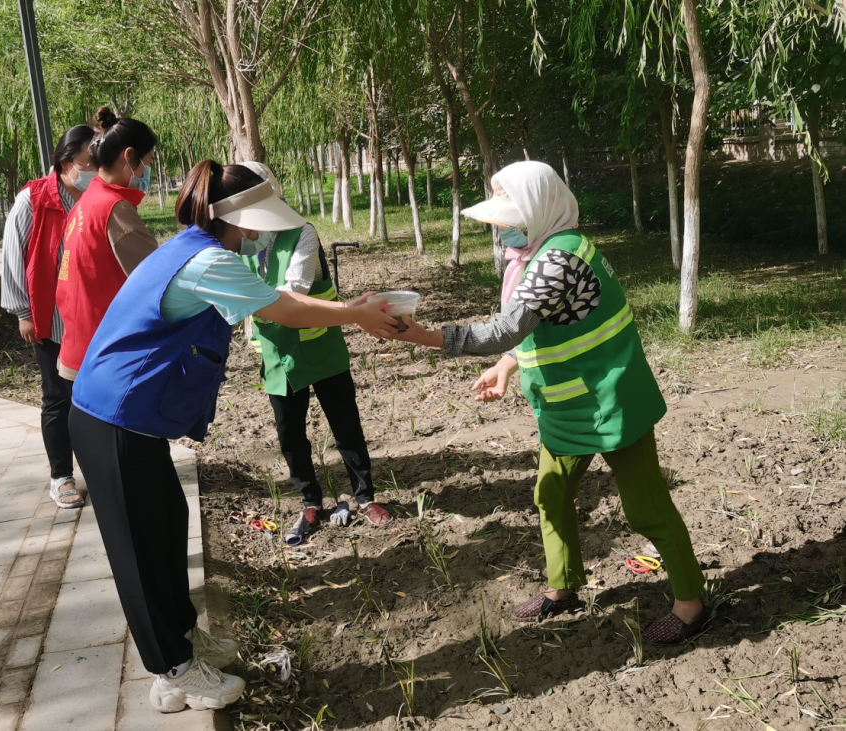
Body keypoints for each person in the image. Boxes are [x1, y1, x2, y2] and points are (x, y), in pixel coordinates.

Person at [67, 160, 397, 713]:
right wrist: (354, 313)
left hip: (128, 420)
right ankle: (171, 673)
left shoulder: (192, 247)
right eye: (255, 224)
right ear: (235, 219)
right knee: (141, 554)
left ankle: (186, 639)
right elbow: (287, 309)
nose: (259, 234)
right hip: (110, 420)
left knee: (169, 525)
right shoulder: (209, 260)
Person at [391, 161, 706, 645]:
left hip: (610, 403)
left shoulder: (561, 259)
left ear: (539, 211)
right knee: (551, 495)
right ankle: (563, 589)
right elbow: (542, 327)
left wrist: (425, 335)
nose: (503, 234)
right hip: (567, 407)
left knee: (646, 509)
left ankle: (690, 603)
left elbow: (507, 328)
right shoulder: (541, 253)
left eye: (509, 223)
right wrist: (508, 366)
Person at [237, 161, 390, 542]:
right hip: (277, 357)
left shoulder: (301, 232)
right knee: (291, 435)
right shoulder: (236, 242)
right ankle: (309, 500)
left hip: (320, 348)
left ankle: (365, 496)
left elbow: (295, 292)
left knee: (346, 425)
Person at [1, 124, 98, 509]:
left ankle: (97, 464)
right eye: (88, 162)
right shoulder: (33, 199)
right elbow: (13, 255)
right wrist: (23, 312)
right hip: (50, 319)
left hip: (89, 316)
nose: (93, 169)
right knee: (57, 397)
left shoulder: (94, 198)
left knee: (91, 396)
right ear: (65, 162)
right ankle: (61, 475)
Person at [55, 107, 159, 382]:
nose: (148, 171)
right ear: (129, 157)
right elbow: (158, 280)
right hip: (105, 357)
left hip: (79, 347)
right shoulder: (113, 208)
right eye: (148, 161)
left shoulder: (84, 204)